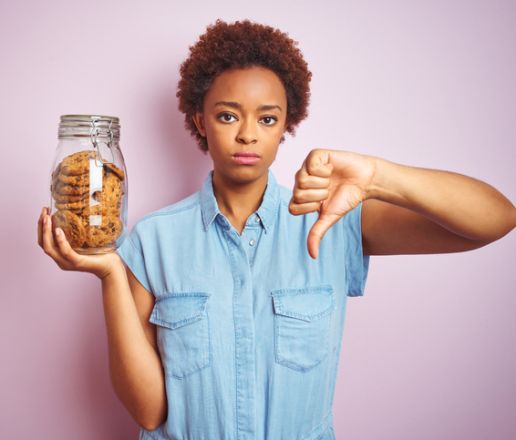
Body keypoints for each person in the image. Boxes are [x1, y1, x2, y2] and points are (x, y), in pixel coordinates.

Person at [37, 19, 516, 440]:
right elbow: (149, 410)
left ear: (286, 124)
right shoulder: (152, 240)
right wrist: (109, 276)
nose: (248, 134)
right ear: (199, 120)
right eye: (228, 115)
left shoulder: (332, 220)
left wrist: (376, 177)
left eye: (267, 118)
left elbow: (496, 218)